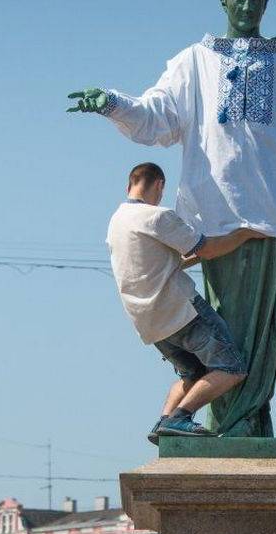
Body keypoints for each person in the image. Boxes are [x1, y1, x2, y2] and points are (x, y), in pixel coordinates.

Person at [70, 0, 276, 439]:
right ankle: (239, 422)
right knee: (236, 327)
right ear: (223, 2)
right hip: (222, 219)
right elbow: (157, 118)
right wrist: (113, 103)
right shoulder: (197, 60)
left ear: (267, 4)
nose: (246, 7)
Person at [107, 162, 264, 442]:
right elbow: (208, 247)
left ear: (129, 185)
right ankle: (180, 417)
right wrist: (244, 234)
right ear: (159, 186)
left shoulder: (117, 221)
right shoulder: (156, 217)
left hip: (150, 325)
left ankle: (164, 421)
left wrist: (199, 254)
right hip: (182, 312)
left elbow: (170, 262)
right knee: (231, 368)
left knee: (194, 372)